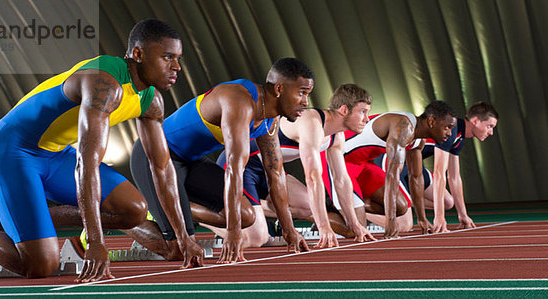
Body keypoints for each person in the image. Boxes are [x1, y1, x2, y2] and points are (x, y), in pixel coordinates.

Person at [0, 19, 203, 282]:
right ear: (138, 54)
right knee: (39, 265)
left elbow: (162, 169)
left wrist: (184, 238)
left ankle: (32, 217)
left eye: (178, 58)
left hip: (55, 155)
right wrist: (95, 242)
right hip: (11, 150)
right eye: (167, 57)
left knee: (134, 210)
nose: (176, 67)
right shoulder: (104, 83)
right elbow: (87, 162)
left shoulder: (151, 102)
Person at [130, 58, 311, 263]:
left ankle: (167, 206)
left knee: (246, 216)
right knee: (178, 251)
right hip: (153, 156)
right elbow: (234, 169)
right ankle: (123, 219)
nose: (305, 102)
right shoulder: (239, 101)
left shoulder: (270, 119)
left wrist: (289, 231)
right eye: (302, 92)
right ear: (279, 88)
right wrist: (233, 234)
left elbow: (275, 174)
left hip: (190, 162)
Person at [216, 83, 377, 248]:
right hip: (243, 165)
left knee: (308, 206)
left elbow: (341, 180)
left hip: (271, 170)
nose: (366, 119)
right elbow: (313, 177)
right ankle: (215, 216)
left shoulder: (337, 136)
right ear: (344, 110)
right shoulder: (312, 122)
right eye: (362, 112)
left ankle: (248, 210)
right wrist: (324, 228)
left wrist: (355, 224)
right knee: (257, 239)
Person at [323, 101, 458, 238]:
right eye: (447, 127)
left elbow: (416, 178)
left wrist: (422, 219)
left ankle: (339, 205)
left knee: (402, 207)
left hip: (361, 164)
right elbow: (392, 176)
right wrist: (390, 221)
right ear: (431, 122)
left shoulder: (419, 139)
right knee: (357, 230)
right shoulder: (403, 127)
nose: (449, 133)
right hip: (336, 161)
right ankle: (311, 208)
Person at [373, 102, 498, 233]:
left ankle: (402, 202)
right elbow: (439, 173)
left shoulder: (458, 137)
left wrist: (463, 215)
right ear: (475, 121)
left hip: (411, 165)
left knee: (448, 202)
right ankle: (360, 210)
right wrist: (439, 217)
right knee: (404, 225)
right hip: (390, 162)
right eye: (489, 126)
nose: (491, 132)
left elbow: (454, 177)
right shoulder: (451, 129)